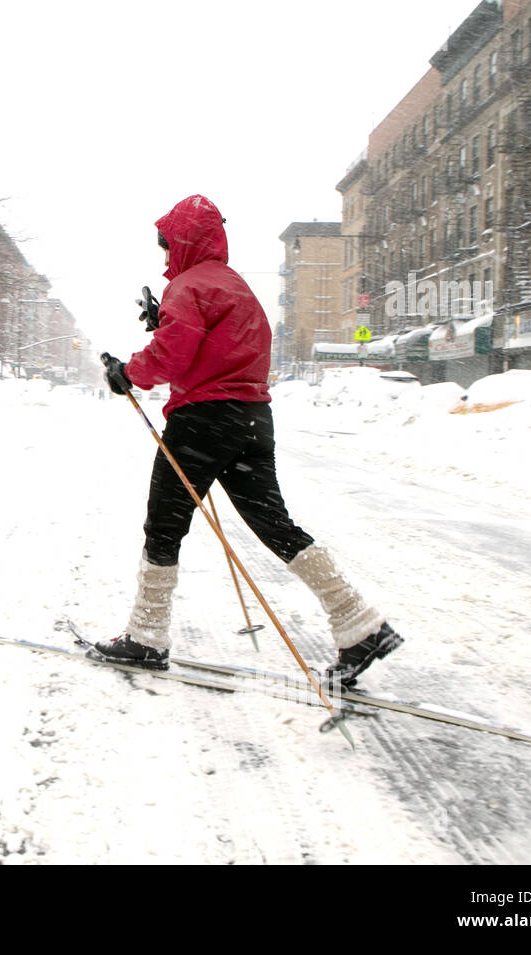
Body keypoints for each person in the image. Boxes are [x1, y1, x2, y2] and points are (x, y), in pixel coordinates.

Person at [91, 195, 402, 688]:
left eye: (168, 246)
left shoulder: (188, 287)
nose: (166, 257)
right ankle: (361, 624)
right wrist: (165, 323)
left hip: (202, 422)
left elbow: (171, 359)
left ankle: (147, 637)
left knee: (164, 526)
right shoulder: (236, 287)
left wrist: (126, 371)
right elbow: (222, 346)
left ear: (184, 242)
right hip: (253, 420)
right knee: (275, 524)